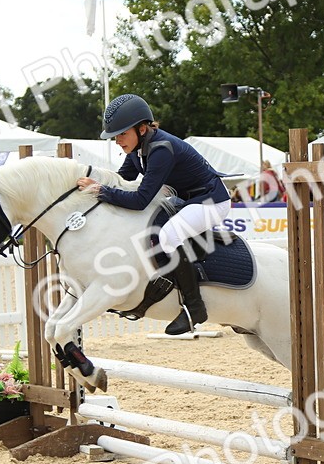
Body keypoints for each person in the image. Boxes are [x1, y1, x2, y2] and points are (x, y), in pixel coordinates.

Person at [77, 94, 231, 335]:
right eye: (116, 136)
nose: (117, 140)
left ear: (141, 128)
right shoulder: (138, 149)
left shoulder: (161, 149)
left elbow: (139, 200)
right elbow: (123, 179)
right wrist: (92, 179)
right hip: (188, 200)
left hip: (212, 202)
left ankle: (194, 308)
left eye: (122, 134)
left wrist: (101, 191)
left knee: (169, 235)